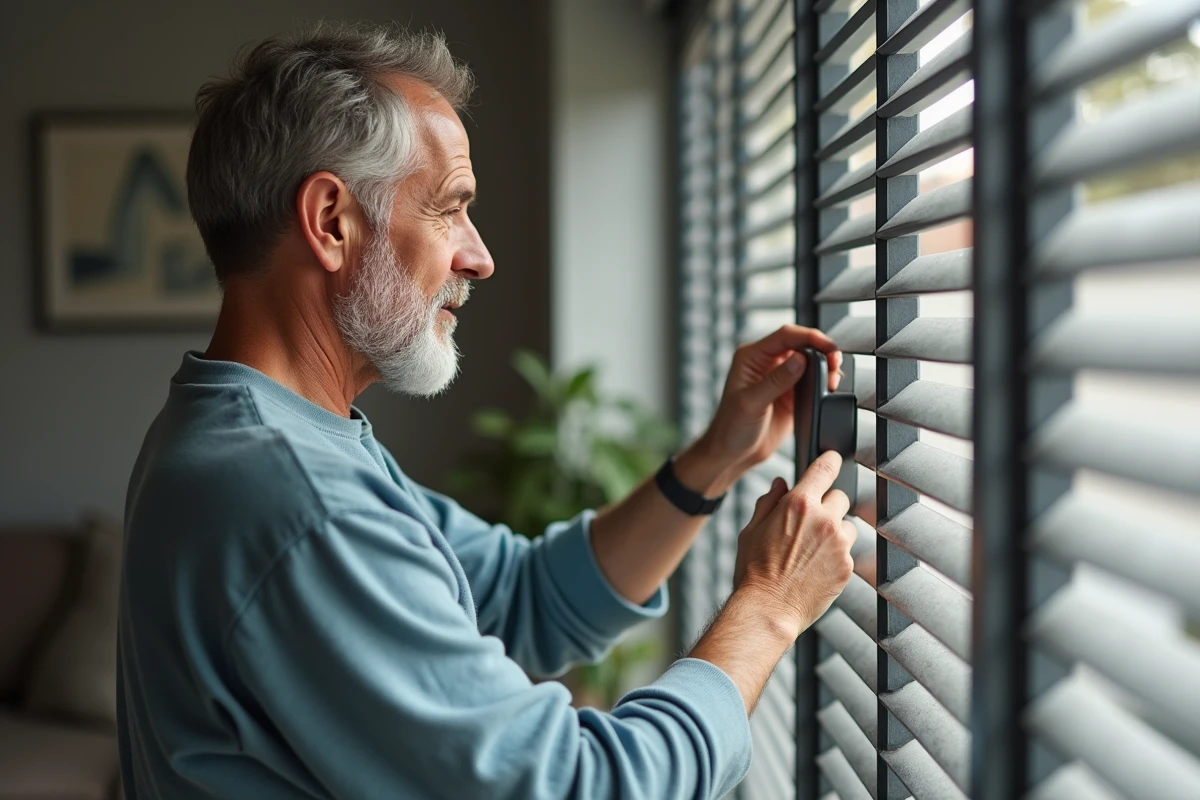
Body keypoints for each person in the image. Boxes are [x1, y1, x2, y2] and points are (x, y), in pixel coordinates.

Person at [117, 22, 858, 800]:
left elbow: (525, 597)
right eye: (448, 209)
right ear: (333, 220)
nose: (479, 256)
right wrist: (770, 608)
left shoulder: (265, 437)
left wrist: (718, 458)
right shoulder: (296, 498)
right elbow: (581, 789)